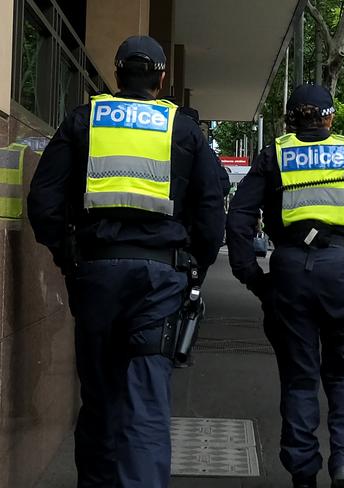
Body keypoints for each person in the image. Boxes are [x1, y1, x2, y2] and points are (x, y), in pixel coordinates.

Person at [27, 35, 224, 488]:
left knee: (99, 398)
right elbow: (212, 209)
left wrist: (68, 255)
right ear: (161, 77)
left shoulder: (85, 120)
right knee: (147, 401)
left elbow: (44, 201)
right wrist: (196, 264)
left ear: (117, 74)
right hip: (159, 280)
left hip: (96, 274)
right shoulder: (184, 128)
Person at [226, 84, 344, 488]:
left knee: (299, 377)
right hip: (343, 271)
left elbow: (238, 218)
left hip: (290, 272)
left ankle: (303, 472)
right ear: (329, 119)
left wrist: (252, 276)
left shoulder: (272, 156)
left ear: (291, 120)